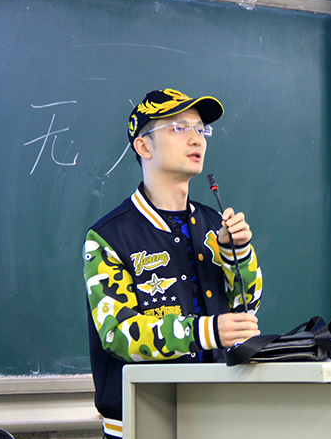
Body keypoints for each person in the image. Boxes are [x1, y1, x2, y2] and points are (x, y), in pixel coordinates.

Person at [82, 88, 263, 439]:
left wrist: (238, 253)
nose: (197, 139)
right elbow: (118, 334)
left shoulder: (213, 224)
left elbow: (247, 308)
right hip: (142, 424)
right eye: (179, 128)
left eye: (201, 129)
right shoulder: (108, 236)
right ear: (144, 146)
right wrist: (206, 332)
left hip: (216, 417)